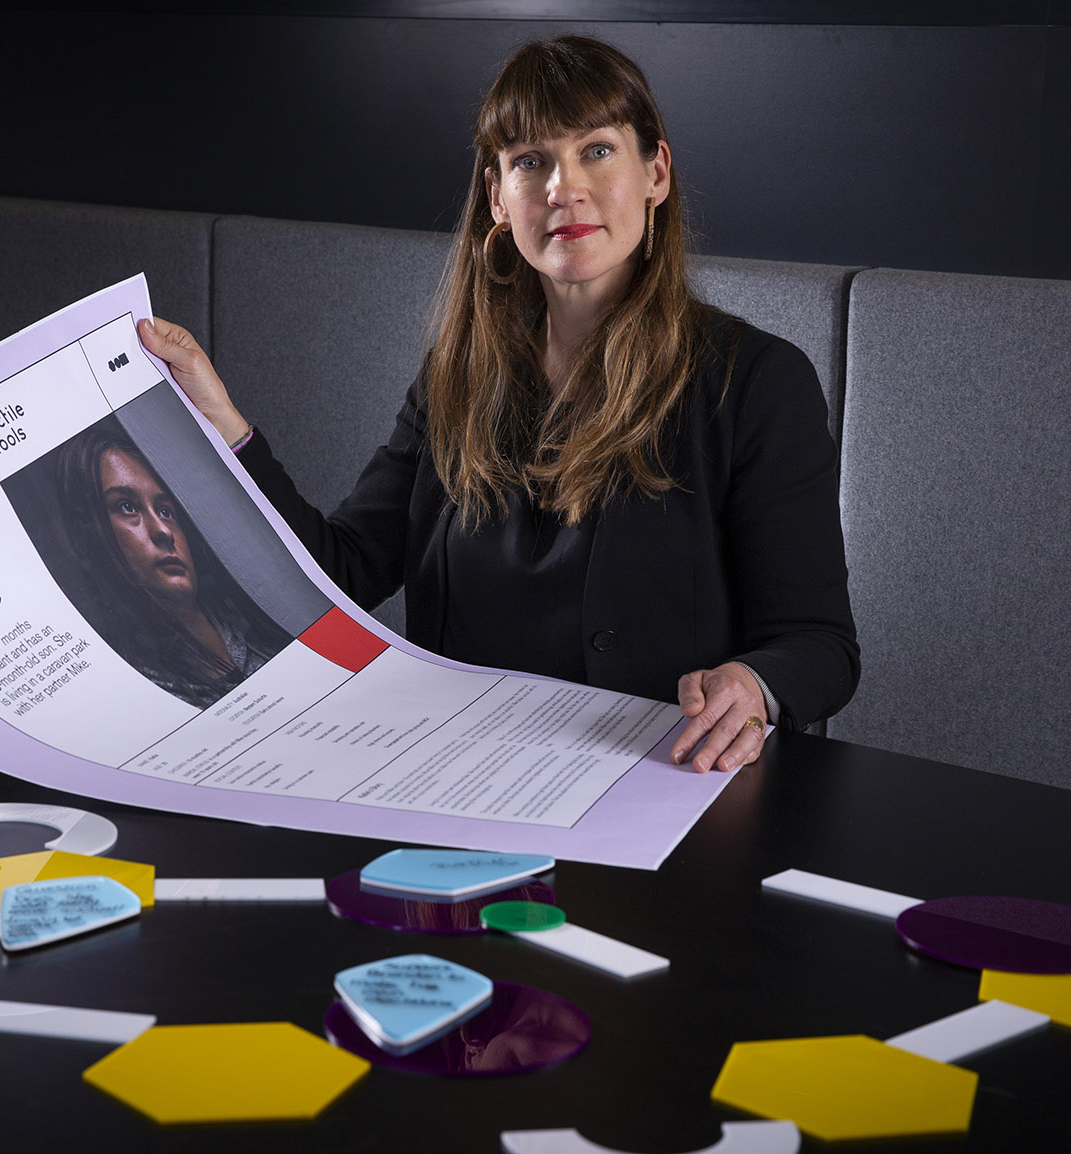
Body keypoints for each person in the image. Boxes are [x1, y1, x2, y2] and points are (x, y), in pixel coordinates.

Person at [138, 34, 857, 770]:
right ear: (497, 199)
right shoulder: (456, 378)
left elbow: (820, 645)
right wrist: (224, 427)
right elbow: (341, 575)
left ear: (656, 173)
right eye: (530, 161)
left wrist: (752, 684)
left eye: (597, 150)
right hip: (461, 778)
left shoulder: (758, 381)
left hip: (657, 778)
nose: (562, 188)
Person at [50, 421, 290, 709]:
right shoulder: (130, 694)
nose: (163, 531)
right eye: (128, 506)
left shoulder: (260, 616)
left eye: (165, 510)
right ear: (90, 535)